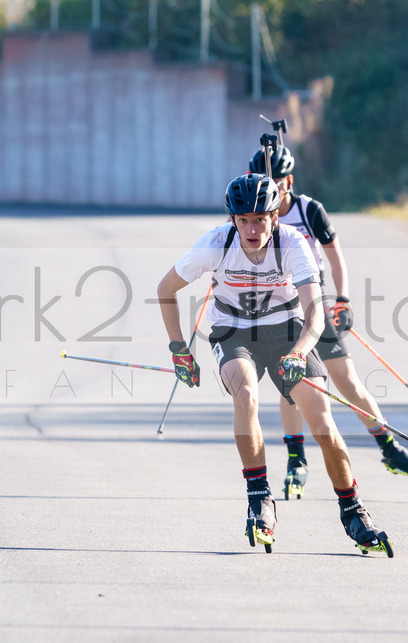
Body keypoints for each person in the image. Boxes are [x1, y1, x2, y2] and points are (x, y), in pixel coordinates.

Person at [156, 172, 392, 556]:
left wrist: (299, 352)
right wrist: (179, 350)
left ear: (275, 217)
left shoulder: (292, 243)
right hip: (233, 331)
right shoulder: (214, 244)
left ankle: (353, 510)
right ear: (232, 219)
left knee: (322, 419)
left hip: (286, 330)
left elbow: (316, 313)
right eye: (243, 220)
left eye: (260, 219)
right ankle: (259, 499)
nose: (252, 228)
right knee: (246, 391)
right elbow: (165, 290)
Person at [249, 145, 408, 499]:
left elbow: (335, 256)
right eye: (268, 181)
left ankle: (389, 448)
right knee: (292, 386)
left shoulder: (308, 210)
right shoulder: (251, 217)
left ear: (289, 181)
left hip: (312, 304)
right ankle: (296, 460)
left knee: (348, 381)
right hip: (278, 312)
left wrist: (342, 298)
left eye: (279, 182)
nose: (274, 189)